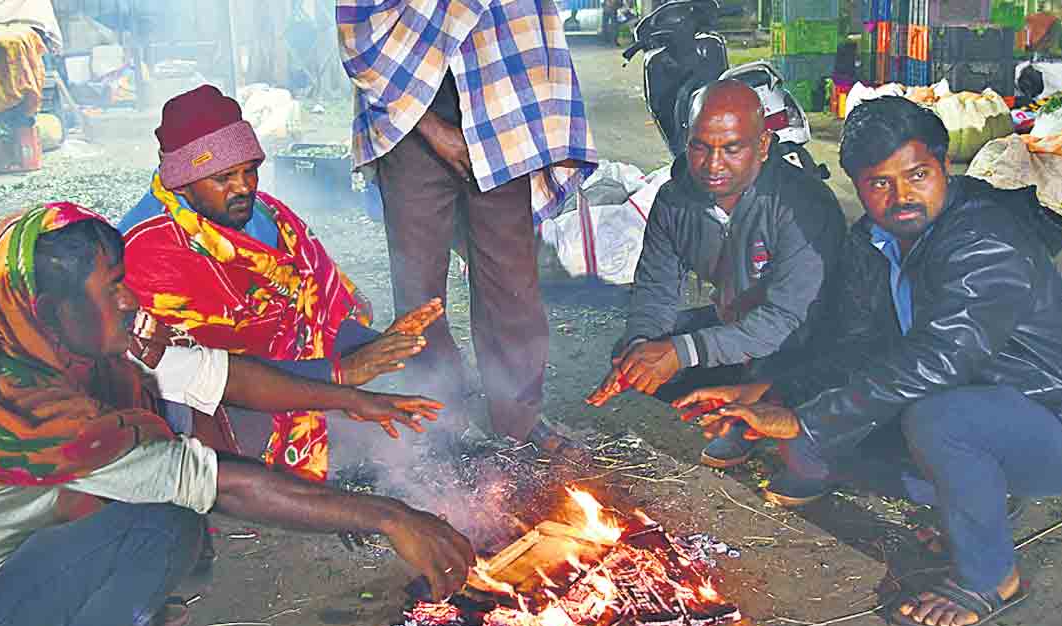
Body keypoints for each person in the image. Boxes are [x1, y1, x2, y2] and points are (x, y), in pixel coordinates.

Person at [0, 203, 475, 626]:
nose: (132, 299)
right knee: (162, 525)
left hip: (8, 566)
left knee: (156, 464)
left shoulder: (48, 334)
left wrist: (351, 399)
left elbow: (215, 373)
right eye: (112, 288)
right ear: (53, 309)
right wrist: (392, 517)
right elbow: (209, 481)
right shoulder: (6, 402)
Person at [677, 96, 1062, 626]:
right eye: (879, 183)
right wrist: (770, 391)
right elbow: (859, 347)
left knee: (934, 421)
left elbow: (941, 357)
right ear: (857, 185)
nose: (901, 196)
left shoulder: (986, 239)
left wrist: (804, 419)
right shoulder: (876, 241)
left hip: (1061, 425)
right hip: (978, 404)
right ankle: (976, 504)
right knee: (837, 440)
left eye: (917, 174)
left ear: (944, 163)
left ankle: (991, 577)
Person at [118, 85, 444, 482]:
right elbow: (209, 373)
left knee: (393, 396)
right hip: (212, 398)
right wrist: (338, 373)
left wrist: (369, 344)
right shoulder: (150, 251)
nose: (244, 188)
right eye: (223, 177)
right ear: (182, 182)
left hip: (286, 370)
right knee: (245, 448)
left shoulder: (268, 216)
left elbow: (312, 311)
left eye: (249, 169)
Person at [337, 0, 598, 457]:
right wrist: (433, 128)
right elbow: (359, 36)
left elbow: (529, 26)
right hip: (408, 126)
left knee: (511, 279)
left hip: (502, 109)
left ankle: (519, 417)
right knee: (419, 288)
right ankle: (438, 414)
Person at [587, 80, 844, 469]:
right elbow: (655, 290)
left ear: (762, 145)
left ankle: (805, 444)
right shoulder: (675, 201)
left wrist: (682, 352)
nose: (713, 165)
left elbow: (786, 320)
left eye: (732, 148)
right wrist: (639, 352)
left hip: (808, 345)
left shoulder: (801, 204)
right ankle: (739, 415)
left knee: (742, 358)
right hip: (736, 328)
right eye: (700, 146)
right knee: (641, 353)